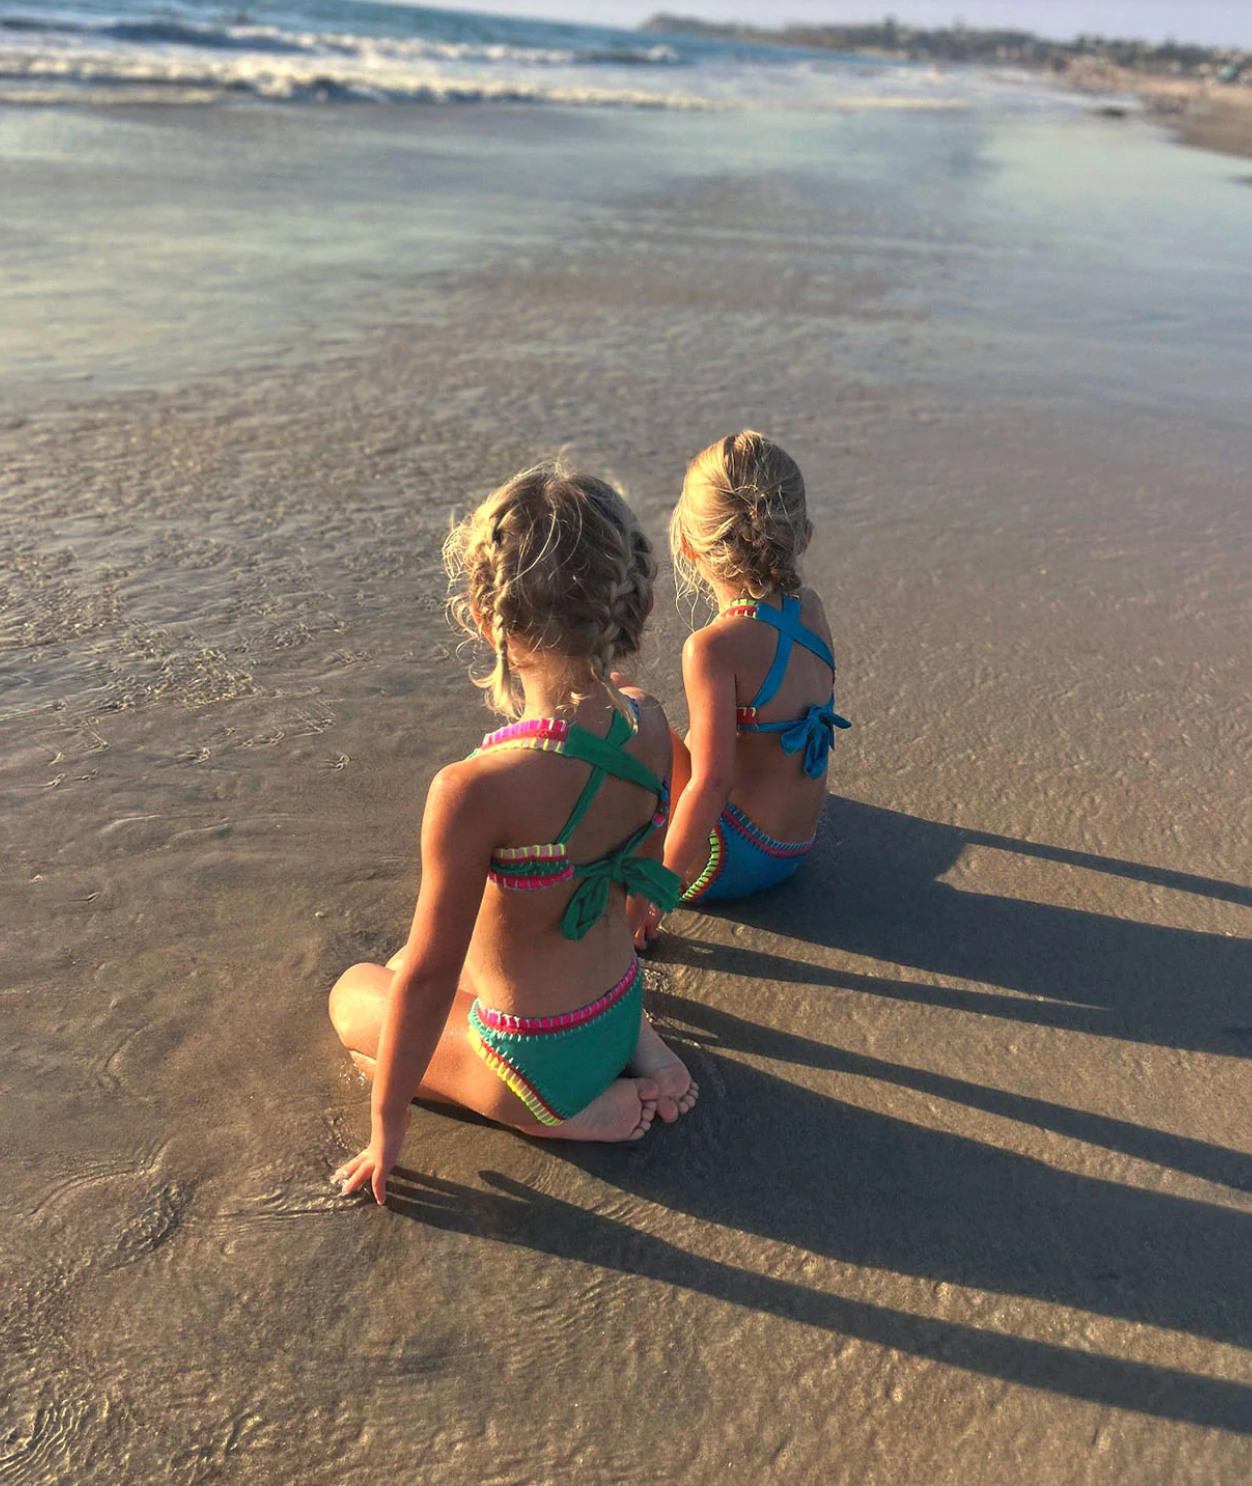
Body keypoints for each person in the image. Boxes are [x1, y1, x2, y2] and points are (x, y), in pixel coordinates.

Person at [331, 463, 698, 1205]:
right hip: (620, 1003)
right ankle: (639, 1048)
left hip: (536, 1064)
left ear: (480, 612)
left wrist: (386, 1127)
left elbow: (432, 981)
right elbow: (641, 869)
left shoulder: (475, 789)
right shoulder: (650, 724)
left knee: (354, 999)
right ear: (637, 600)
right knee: (425, 960)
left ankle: (563, 1115)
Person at [631, 431, 849, 944]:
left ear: (685, 542)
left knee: (634, 705)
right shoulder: (810, 610)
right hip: (794, 848)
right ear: (803, 535)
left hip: (728, 862)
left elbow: (712, 783)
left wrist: (654, 896)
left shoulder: (712, 647)